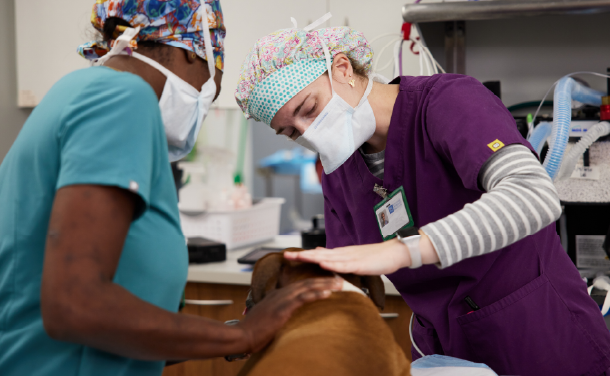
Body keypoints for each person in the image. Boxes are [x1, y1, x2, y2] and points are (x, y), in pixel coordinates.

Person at [235, 20, 610, 375]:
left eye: (309, 109)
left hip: (538, 332)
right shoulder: (339, 172)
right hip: (443, 350)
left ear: (342, 68)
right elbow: (346, 279)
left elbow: (533, 196)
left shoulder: (446, 102)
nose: (308, 133)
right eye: (291, 131)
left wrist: (405, 250)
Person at [0, 2, 341, 375]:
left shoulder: (73, 93)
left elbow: (113, 332)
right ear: (191, 50)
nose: (209, 93)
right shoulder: (122, 99)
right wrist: (245, 336)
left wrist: (228, 334)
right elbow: (76, 306)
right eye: (212, 80)